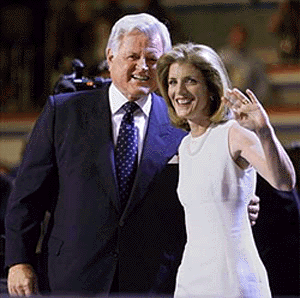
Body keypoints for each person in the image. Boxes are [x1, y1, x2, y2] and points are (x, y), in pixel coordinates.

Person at [5, 14, 259, 297]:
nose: (143, 67)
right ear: (110, 56)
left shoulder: (185, 124)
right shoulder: (63, 113)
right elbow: (27, 197)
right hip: (73, 277)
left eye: (152, 59)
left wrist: (234, 202)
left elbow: (206, 188)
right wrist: (19, 260)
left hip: (155, 279)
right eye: (133, 56)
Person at [156, 42, 296, 297]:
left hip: (233, 279)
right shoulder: (185, 146)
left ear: (211, 88)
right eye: (173, 82)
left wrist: (264, 132)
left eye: (190, 81)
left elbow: (284, 182)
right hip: (190, 278)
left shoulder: (233, 134)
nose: (179, 91)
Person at [218, 23, 272, 106]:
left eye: (240, 35)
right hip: (225, 98)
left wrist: (256, 102)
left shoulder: (253, 60)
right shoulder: (221, 57)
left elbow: (262, 83)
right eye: (235, 35)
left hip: (245, 98)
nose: (238, 38)